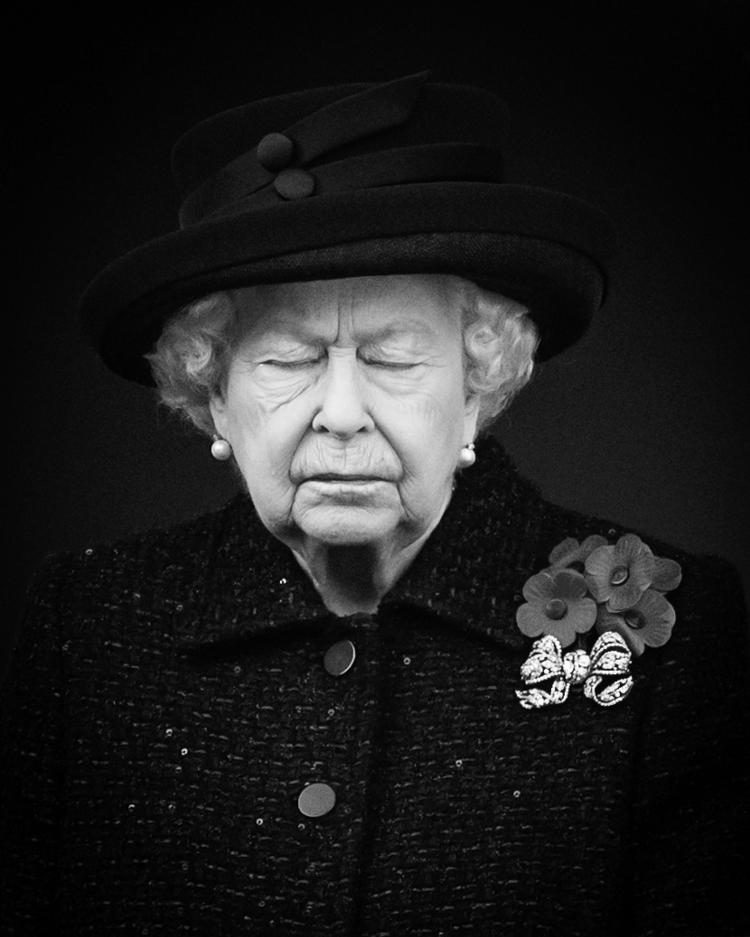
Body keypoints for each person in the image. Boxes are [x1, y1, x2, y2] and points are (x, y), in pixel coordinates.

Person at [1, 71, 747, 937]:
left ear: (478, 386)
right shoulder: (88, 624)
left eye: (393, 359)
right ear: (213, 396)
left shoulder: (667, 631)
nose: (344, 410)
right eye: (288, 360)